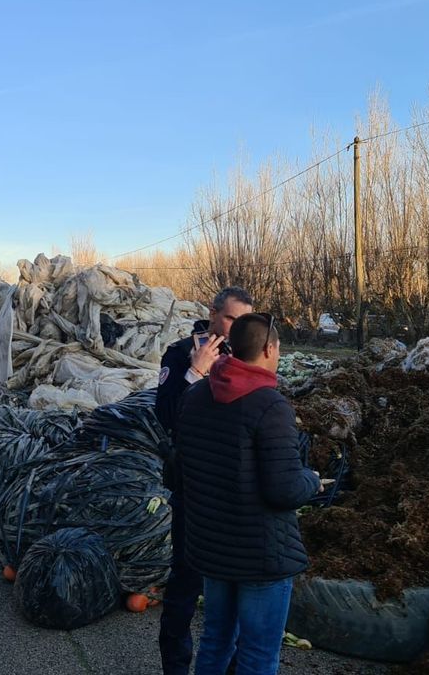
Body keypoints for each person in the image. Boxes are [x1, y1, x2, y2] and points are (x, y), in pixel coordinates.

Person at [174, 313, 321, 675]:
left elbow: (177, 469)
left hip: (212, 549)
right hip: (260, 555)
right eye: (279, 348)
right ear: (270, 349)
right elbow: (283, 489)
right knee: (257, 654)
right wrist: (312, 481)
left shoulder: (194, 396)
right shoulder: (270, 406)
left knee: (214, 641)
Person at [156, 286, 254, 675]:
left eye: (243, 322)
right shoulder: (179, 354)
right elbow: (165, 415)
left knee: (232, 588)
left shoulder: (247, 355)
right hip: (193, 487)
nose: (234, 329)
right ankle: (176, 668)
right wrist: (194, 372)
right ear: (213, 314)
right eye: (230, 319)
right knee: (185, 585)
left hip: (235, 488)